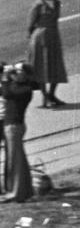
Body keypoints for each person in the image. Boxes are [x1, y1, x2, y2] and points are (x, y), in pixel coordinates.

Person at [25, 0, 66, 108]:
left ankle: (52, 94)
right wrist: (32, 41)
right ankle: (45, 96)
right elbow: (30, 25)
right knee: (42, 67)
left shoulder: (57, 3)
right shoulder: (38, 5)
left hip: (54, 37)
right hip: (40, 38)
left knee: (56, 65)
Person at [0, 62, 34, 203]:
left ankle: (14, 193)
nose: (15, 71)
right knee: (19, 160)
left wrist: (6, 76)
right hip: (12, 126)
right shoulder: (18, 86)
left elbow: (7, 93)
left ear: (24, 75)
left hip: (14, 127)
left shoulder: (25, 90)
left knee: (14, 162)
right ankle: (25, 190)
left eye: (18, 70)